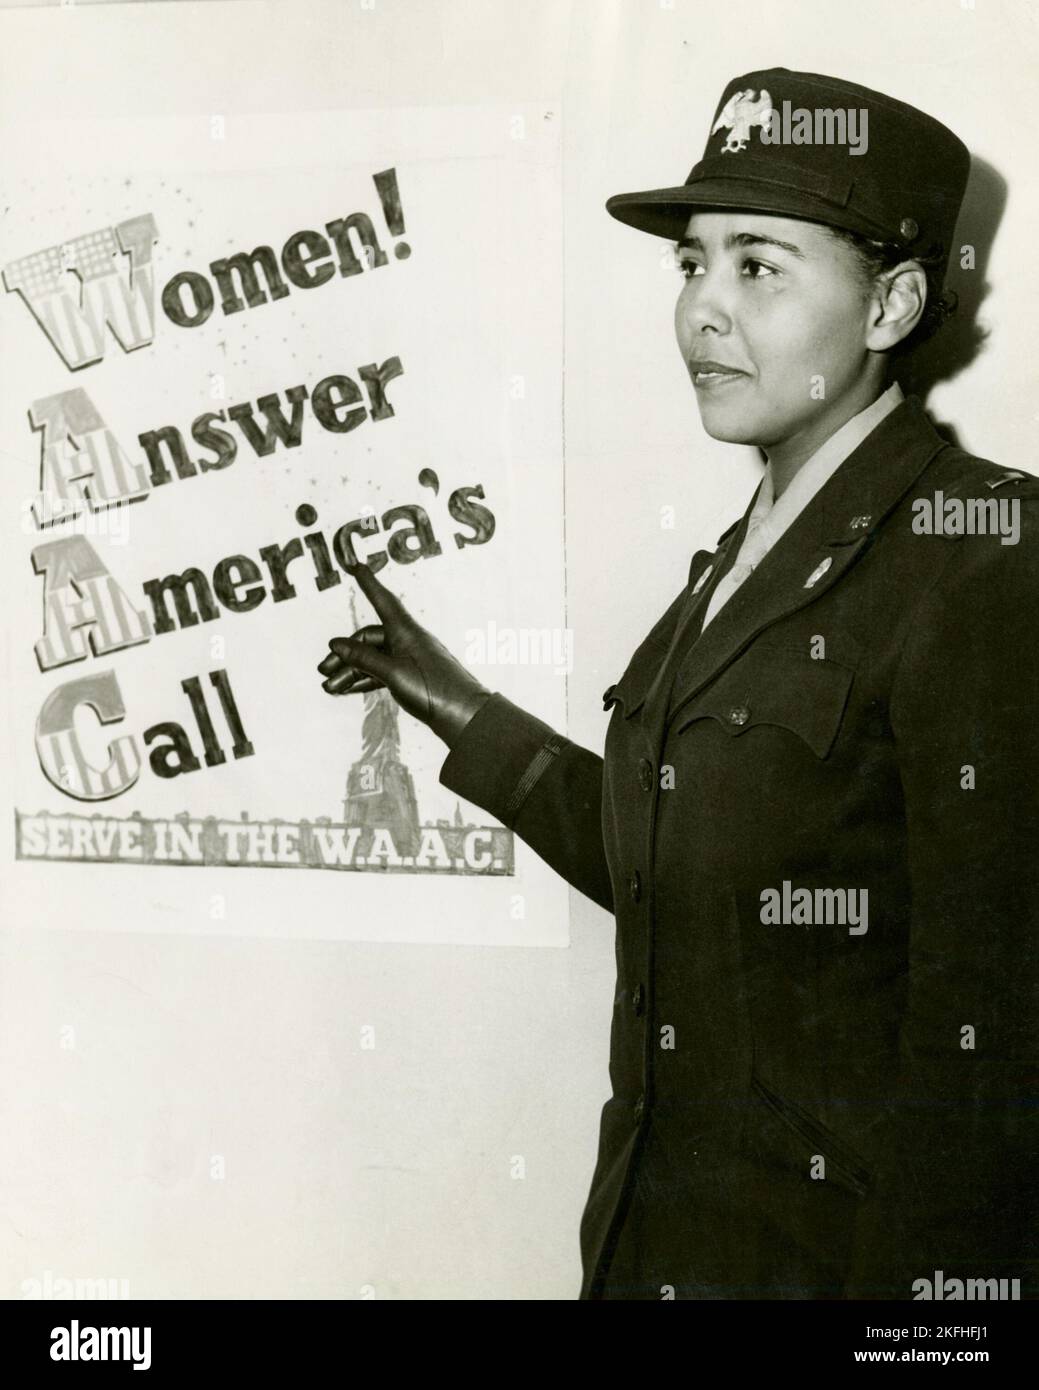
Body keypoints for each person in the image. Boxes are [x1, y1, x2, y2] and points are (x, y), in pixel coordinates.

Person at [317, 67, 1039, 1301]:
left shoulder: (982, 560)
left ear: (892, 302)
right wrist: (466, 715)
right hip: (653, 1254)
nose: (700, 310)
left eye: (756, 265)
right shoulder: (745, 552)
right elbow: (691, 878)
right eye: (691, 264)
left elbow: (992, 1062)